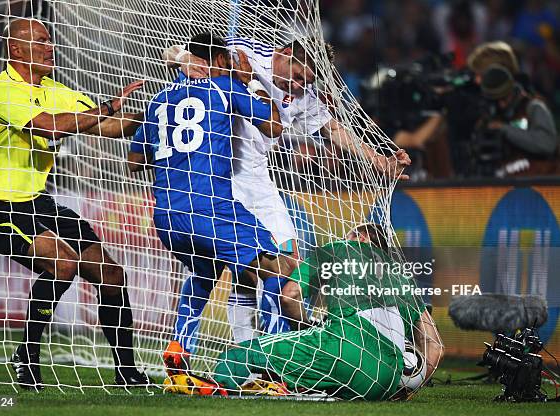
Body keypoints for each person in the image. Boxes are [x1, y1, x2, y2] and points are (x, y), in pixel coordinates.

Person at [163, 34, 412, 350]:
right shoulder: (246, 51)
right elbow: (175, 52)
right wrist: (186, 61)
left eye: (305, 82)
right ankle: (204, 348)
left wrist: (379, 161)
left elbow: (333, 130)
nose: (297, 87)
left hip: (255, 177)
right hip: (215, 172)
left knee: (284, 261)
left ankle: (264, 355)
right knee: (217, 268)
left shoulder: (305, 95)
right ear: (283, 54)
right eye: (296, 78)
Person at [0, 18, 148, 390]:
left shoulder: (55, 89)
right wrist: (108, 106)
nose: (50, 47)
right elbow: (50, 127)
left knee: (112, 274)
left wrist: (156, 113)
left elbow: (109, 127)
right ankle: (27, 353)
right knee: (63, 263)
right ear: (16, 49)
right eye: (40, 41)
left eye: (49, 40)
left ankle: (126, 371)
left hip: (39, 202)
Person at [127, 33, 310, 375]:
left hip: (166, 214)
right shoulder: (225, 87)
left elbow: (134, 161)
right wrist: (250, 83)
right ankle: (270, 367)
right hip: (211, 206)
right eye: (226, 61)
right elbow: (272, 126)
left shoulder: (159, 100)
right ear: (217, 62)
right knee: (274, 265)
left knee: (204, 270)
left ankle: (179, 348)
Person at [166, 223, 443, 400]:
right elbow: (435, 349)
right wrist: (407, 389)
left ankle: (219, 386)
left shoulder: (339, 250)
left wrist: (308, 327)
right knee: (313, 382)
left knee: (239, 354)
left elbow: (289, 297)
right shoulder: (402, 277)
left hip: (343, 347)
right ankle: (285, 385)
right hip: (384, 380)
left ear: (357, 237)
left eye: (349, 234)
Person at [480, 65, 558, 177]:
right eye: (496, 101)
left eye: (504, 98)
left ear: (512, 91)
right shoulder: (490, 117)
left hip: (542, 183)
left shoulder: (533, 107)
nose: (501, 105)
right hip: (506, 183)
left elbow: (547, 144)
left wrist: (505, 130)